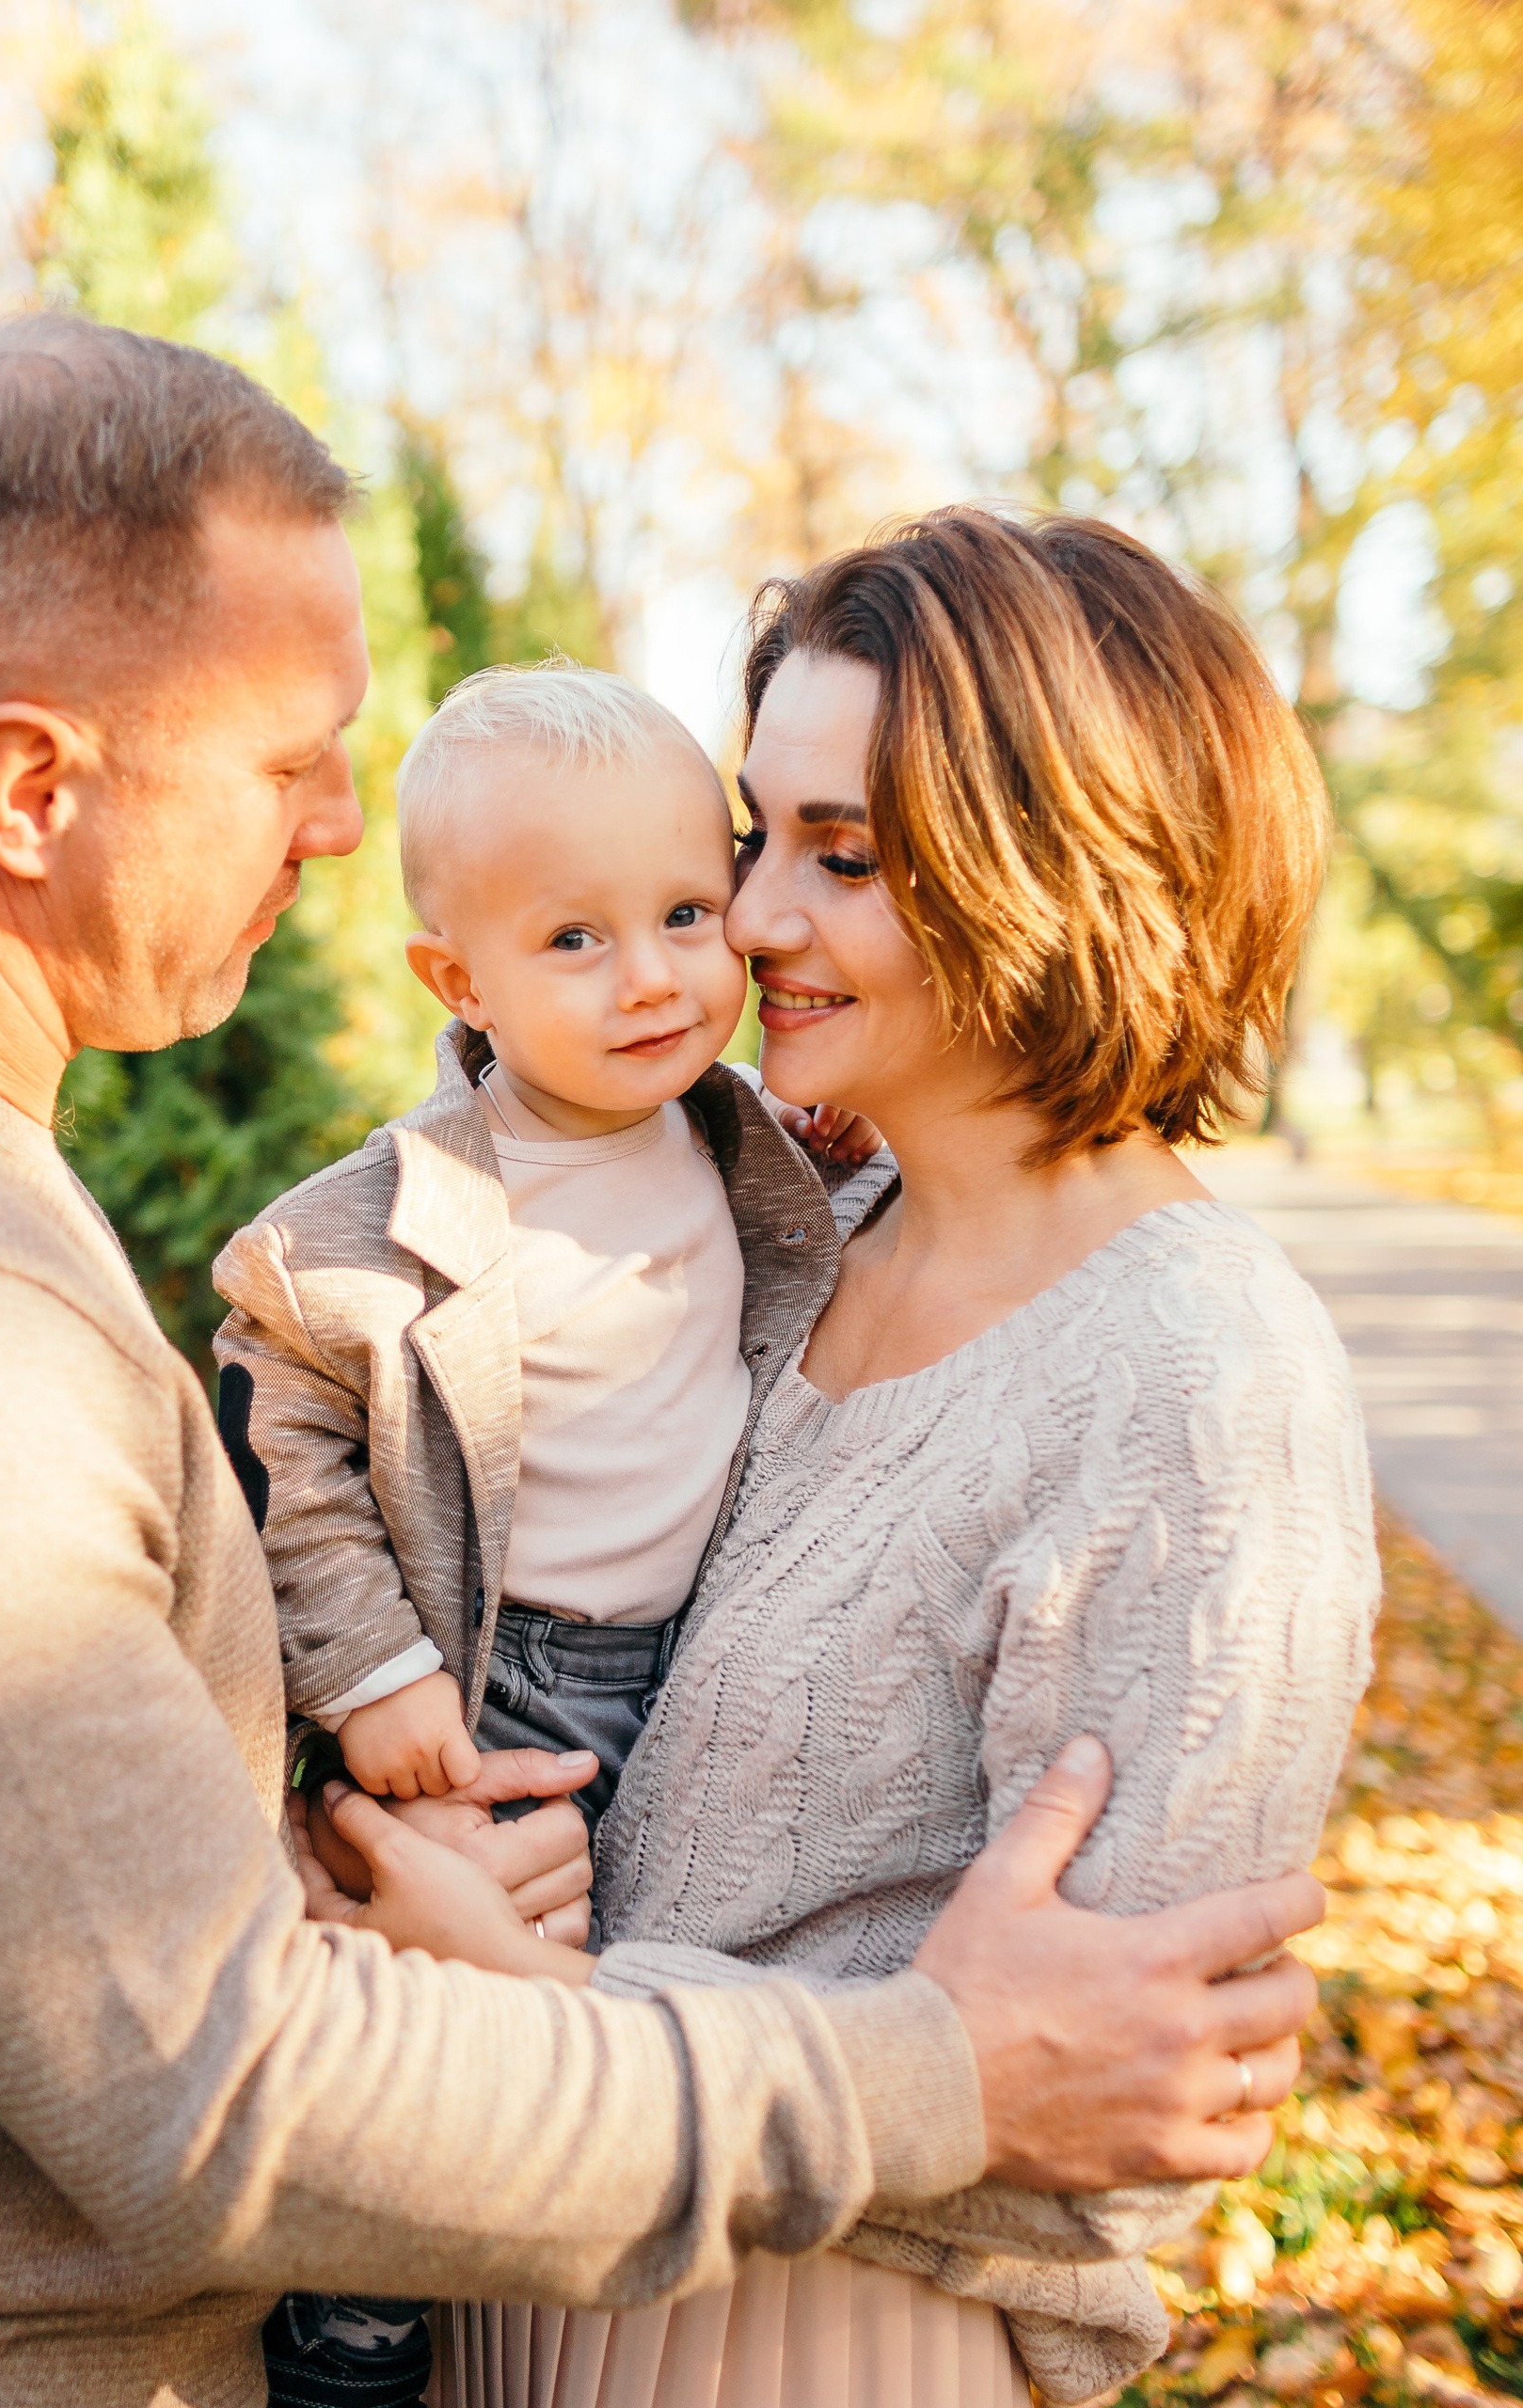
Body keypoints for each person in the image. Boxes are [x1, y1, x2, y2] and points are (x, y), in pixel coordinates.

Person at [0, 321, 1328, 2408]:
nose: (345, 832)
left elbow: (20, 1840)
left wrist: (353, 1875)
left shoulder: (836, 1235)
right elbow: (210, 2085)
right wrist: (913, 2064)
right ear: (27, 784)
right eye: (288, 760)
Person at [332, 509, 1374, 2408]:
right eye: (756, 837)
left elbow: (1106, 2144)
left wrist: (540, 1994)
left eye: (846, 857)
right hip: (514, 2256)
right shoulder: (792, 1222)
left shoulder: (1191, 1378)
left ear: (1066, 868)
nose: (746, 923)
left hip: (793, 2343)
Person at [214, 662, 890, 2408]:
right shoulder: (401, 1214)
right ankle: (344, 2343)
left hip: (703, 1671)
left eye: (684, 911)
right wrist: (367, 1658)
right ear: (462, 982)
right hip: (507, 1688)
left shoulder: (749, 1144)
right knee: (454, 2060)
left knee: (609, 2056)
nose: (658, 974)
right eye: (575, 942)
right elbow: (282, 1414)